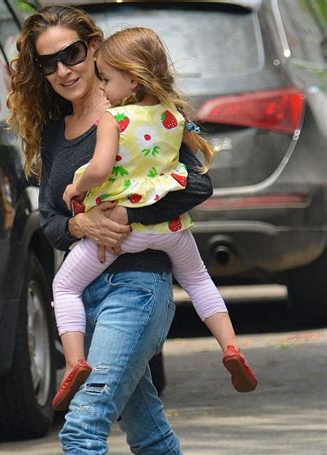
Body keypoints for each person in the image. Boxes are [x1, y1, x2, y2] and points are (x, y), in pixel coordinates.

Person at [0, 6, 247, 455]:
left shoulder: (140, 112)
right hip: (86, 295)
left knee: (86, 419)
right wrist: (76, 222)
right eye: (49, 62)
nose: (64, 69)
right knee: (148, 434)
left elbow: (197, 185)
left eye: (72, 54)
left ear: (94, 50)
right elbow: (46, 220)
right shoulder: (55, 134)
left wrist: (127, 218)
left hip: (137, 291)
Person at [51, 26, 257, 411]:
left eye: (107, 79)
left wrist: (75, 189)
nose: (103, 89)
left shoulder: (114, 119)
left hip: (122, 233)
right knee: (198, 280)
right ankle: (230, 346)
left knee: (64, 287)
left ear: (131, 81)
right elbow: (189, 174)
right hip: (172, 230)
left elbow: (98, 170)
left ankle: (73, 361)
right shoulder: (173, 117)